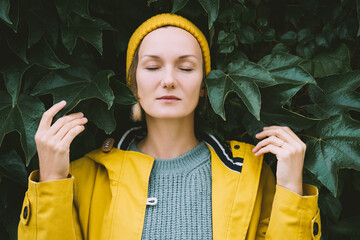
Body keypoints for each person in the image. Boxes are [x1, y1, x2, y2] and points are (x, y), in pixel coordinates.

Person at [18, 13, 321, 240]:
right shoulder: (86, 176)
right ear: (133, 82)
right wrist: (51, 181)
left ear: (204, 85)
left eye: (186, 67)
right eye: (152, 67)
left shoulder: (251, 173)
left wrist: (292, 189)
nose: (168, 80)